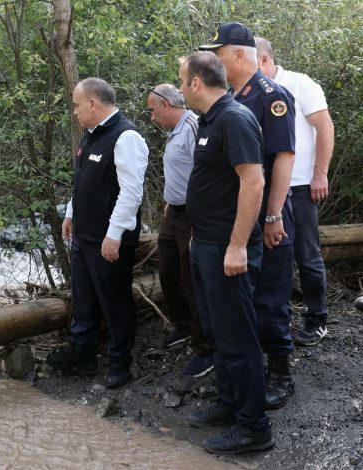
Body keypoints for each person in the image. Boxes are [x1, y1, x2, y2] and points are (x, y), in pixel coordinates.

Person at [200, 22, 298, 410]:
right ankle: (244, 374)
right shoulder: (232, 98)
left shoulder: (271, 96)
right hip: (238, 213)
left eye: (219, 54)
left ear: (239, 54)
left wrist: (273, 216)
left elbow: (284, 159)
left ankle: (280, 371)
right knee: (244, 297)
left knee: (271, 295)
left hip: (267, 211)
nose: (215, 61)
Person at [180, 51, 272, 455]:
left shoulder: (234, 118)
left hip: (228, 249)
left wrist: (236, 246)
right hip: (208, 243)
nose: (180, 86)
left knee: (238, 338)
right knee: (220, 333)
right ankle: (231, 404)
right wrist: (199, 235)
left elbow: (253, 183)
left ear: (196, 82)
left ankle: (253, 427)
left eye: (182, 80)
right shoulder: (209, 120)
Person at [48, 77, 148, 389]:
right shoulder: (90, 136)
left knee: (115, 301)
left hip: (110, 239)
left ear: (93, 103)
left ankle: (121, 363)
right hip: (84, 236)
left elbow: (131, 192)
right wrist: (71, 213)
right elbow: (84, 181)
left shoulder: (126, 137)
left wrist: (115, 233)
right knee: (84, 299)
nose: (75, 112)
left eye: (77, 105)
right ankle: (83, 353)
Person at [256, 37, 335, 346]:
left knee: (306, 254)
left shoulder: (299, 84)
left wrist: (320, 174)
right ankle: (277, 318)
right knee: (271, 258)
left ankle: (317, 318)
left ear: (262, 60)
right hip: (264, 186)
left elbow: (325, 127)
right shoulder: (248, 92)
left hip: (300, 185)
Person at [146, 84, 213, 377]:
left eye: (152, 110)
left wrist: (198, 217)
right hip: (174, 213)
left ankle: (206, 348)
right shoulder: (175, 132)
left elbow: (206, 175)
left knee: (192, 279)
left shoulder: (193, 128)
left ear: (166, 104)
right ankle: (184, 325)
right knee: (169, 271)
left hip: (192, 216)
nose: (151, 117)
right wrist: (169, 201)